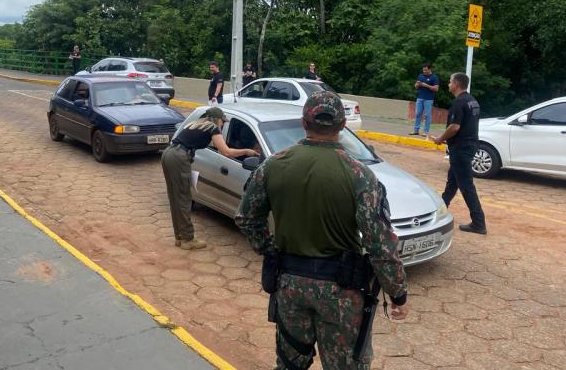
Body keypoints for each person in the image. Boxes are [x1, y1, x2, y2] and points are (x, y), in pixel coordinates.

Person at [236, 91, 408, 369]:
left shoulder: (272, 166)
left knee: (290, 363)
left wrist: (269, 251)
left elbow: (246, 217)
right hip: (341, 293)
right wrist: (397, 293)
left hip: (289, 284)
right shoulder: (359, 174)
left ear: (304, 123)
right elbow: (379, 243)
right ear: (342, 126)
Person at [161, 107, 255, 250]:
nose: (223, 125)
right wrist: (247, 151)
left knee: (175, 197)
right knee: (184, 199)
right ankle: (188, 239)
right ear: (217, 119)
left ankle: (180, 237)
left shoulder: (196, 124)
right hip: (179, 158)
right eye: (222, 121)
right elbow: (226, 152)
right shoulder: (213, 128)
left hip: (169, 154)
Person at [430, 72, 487, 235]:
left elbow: (455, 127)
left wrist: (441, 138)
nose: (448, 85)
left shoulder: (458, 102)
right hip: (469, 145)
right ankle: (440, 210)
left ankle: (478, 222)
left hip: (461, 149)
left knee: (466, 186)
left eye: (449, 82)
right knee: (452, 182)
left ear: (456, 83)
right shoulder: (472, 101)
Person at [409, 63, 439, 136]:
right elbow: (416, 86)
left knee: (427, 115)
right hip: (420, 98)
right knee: (418, 114)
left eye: (425, 70)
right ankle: (416, 130)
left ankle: (426, 131)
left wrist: (426, 85)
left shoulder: (434, 77)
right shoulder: (420, 76)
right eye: (423, 70)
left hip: (428, 99)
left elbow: (436, 88)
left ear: (429, 69)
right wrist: (417, 84)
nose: (424, 71)